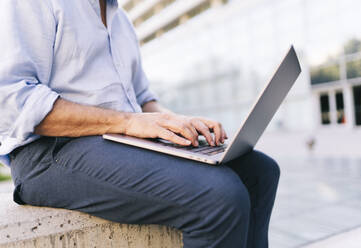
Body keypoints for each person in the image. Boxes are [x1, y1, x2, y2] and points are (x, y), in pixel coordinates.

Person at [0, 0, 280, 247]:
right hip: (49, 152)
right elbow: (12, 99)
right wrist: (127, 122)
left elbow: (144, 100)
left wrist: (178, 122)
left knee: (261, 172)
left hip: (119, 141)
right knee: (219, 196)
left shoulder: (120, 19)